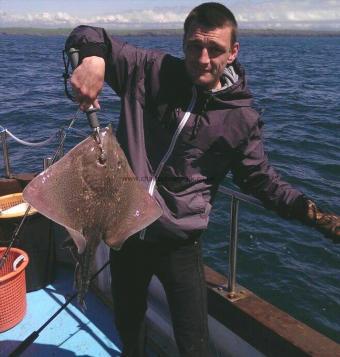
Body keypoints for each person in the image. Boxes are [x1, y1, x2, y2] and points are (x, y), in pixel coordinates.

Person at [65, 3, 340, 356]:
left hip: (180, 242)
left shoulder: (241, 117)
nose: (204, 58)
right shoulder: (149, 70)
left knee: (193, 341)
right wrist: (92, 59)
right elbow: (88, 35)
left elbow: (261, 180)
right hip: (126, 232)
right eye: (195, 46)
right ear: (183, 44)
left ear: (233, 52)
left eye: (216, 49)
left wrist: (319, 219)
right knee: (128, 322)